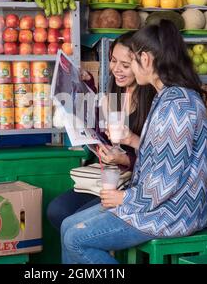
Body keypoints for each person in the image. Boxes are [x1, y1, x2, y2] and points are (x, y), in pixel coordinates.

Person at [60, 20, 207, 264]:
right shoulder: (168, 96)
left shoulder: (177, 106)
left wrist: (125, 199)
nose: (124, 68)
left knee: (76, 239)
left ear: (146, 59)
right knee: (68, 225)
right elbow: (161, 154)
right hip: (153, 204)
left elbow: (165, 181)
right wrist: (129, 139)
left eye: (132, 61)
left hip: (170, 213)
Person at [46, 32, 156, 232]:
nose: (117, 70)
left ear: (143, 63)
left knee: (78, 225)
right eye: (113, 61)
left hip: (133, 186)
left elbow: (159, 156)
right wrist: (87, 86)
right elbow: (99, 129)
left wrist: (124, 159)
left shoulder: (154, 102)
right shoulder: (116, 91)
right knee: (57, 211)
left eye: (125, 64)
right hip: (108, 178)